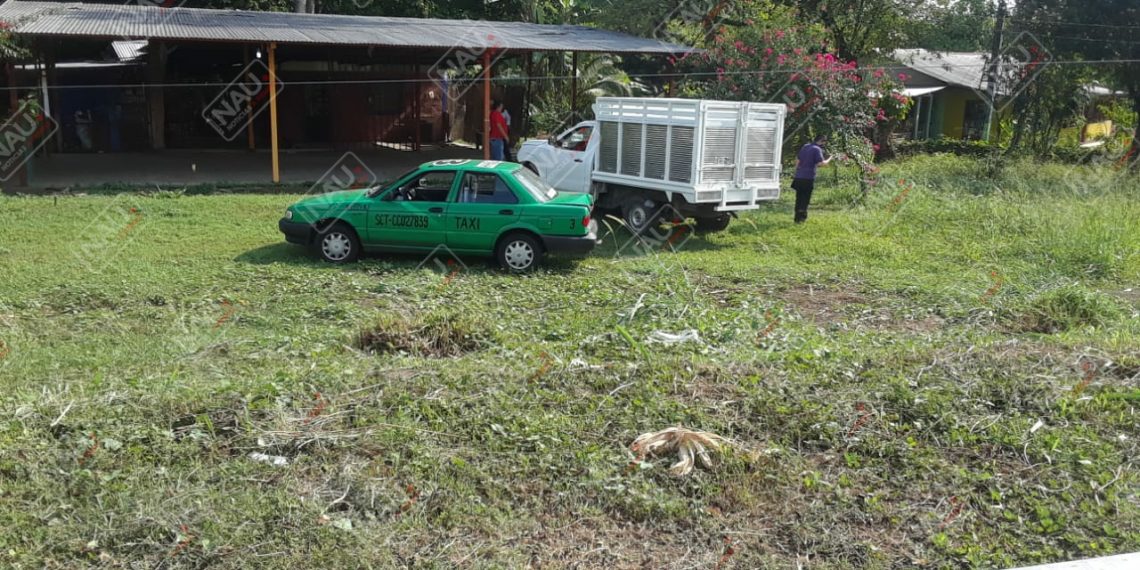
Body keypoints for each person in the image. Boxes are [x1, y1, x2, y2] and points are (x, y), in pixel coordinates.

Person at [791, 134, 831, 223]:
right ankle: (801, 219)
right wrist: (830, 159)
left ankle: (796, 218)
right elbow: (821, 163)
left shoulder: (805, 146)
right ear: (822, 141)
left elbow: (798, 161)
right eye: (824, 142)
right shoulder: (817, 149)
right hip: (808, 177)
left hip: (799, 176)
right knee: (805, 199)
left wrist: (797, 172)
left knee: (799, 197)